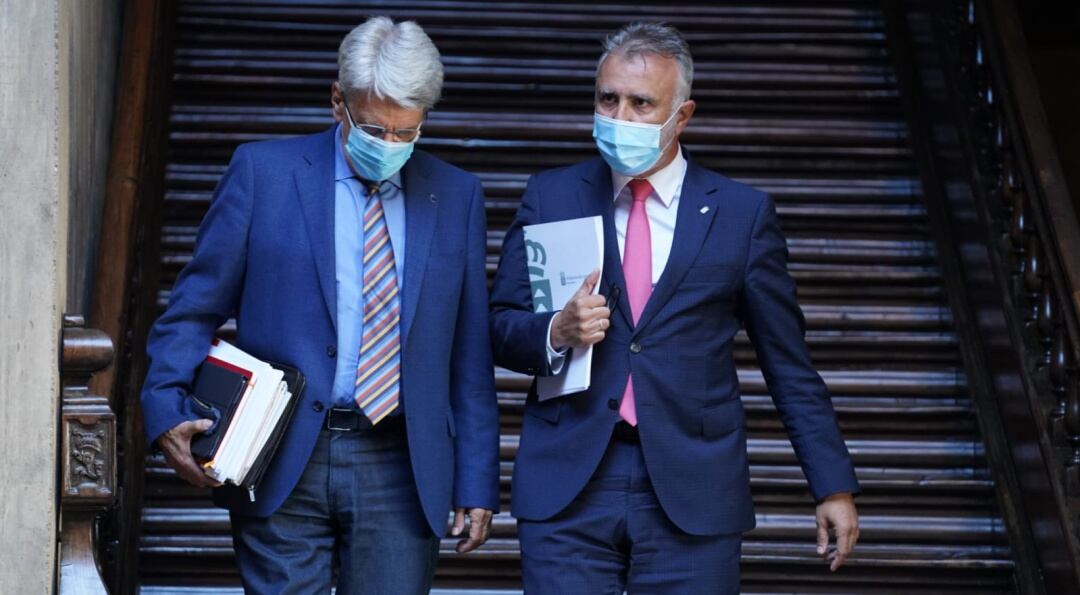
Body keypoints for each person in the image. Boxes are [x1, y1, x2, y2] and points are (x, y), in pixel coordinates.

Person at [490, 22, 860, 594]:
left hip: (694, 485)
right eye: (607, 99)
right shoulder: (552, 196)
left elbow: (788, 364)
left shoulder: (742, 215)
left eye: (641, 104)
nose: (620, 117)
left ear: (681, 116)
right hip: (570, 479)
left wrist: (831, 485)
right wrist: (555, 331)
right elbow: (500, 327)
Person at [140, 17, 499, 594]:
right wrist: (165, 408)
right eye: (376, 129)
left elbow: (469, 352)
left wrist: (478, 479)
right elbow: (193, 308)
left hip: (400, 462)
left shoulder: (456, 195)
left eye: (407, 133)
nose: (390, 147)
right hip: (280, 451)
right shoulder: (263, 174)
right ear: (339, 101)